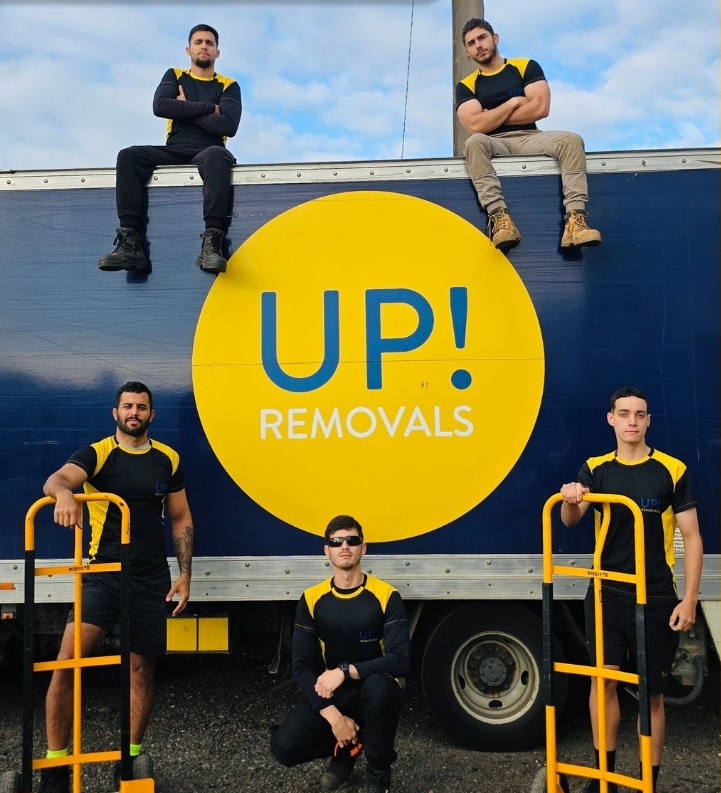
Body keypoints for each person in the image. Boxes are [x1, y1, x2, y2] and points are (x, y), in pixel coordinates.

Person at [39, 382, 194, 793]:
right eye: (127, 406)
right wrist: (63, 496)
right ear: (115, 413)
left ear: (151, 415)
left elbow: (179, 517)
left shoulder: (168, 458)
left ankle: (129, 759)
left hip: (149, 580)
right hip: (102, 575)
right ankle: (55, 767)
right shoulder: (98, 453)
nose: (134, 412)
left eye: (142, 407)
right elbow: (56, 479)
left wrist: (185, 574)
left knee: (142, 670)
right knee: (67, 663)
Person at [560, 387, 702, 793]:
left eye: (640, 414)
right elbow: (570, 520)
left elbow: (691, 537)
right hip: (606, 593)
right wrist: (571, 496)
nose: (632, 421)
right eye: (624, 414)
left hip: (656, 596)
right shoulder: (596, 468)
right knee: (601, 682)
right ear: (611, 419)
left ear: (648, 421)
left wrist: (689, 597)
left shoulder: (671, 470)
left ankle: (647, 782)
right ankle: (603, 779)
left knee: (651, 695)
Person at [270, 515, 410, 793]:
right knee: (284, 747)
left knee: (380, 687)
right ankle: (345, 751)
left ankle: (378, 772)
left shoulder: (386, 595)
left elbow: (400, 659)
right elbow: (302, 667)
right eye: (336, 541)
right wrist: (334, 717)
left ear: (363, 548)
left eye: (352, 540)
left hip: (374, 690)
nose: (344, 545)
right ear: (327, 550)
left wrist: (344, 671)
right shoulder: (312, 598)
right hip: (334, 694)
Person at [98, 24, 241, 275]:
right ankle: (131, 246)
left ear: (217, 52)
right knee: (129, 155)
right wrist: (209, 108)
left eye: (209, 43)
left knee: (217, 155)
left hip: (209, 149)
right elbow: (161, 106)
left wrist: (184, 108)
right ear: (189, 49)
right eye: (198, 42)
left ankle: (212, 244)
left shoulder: (229, 85)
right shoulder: (175, 74)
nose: (204, 46)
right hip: (175, 148)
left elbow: (228, 125)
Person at [455, 18, 601, 251]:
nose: (478, 45)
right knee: (474, 142)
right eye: (471, 43)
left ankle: (575, 222)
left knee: (571, 140)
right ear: (468, 52)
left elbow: (541, 108)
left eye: (482, 37)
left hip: (530, 137)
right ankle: (500, 220)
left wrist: (489, 115)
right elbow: (474, 126)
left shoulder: (525, 66)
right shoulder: (466, 85)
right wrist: (514, 102)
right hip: (494, 142)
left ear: (495, 38)